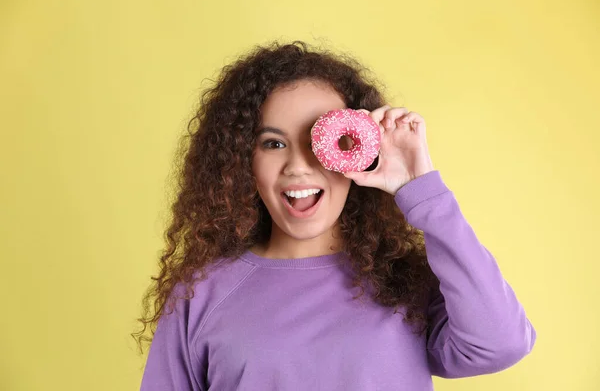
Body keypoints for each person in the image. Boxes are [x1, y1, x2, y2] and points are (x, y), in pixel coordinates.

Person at [133, 40, 536, 390]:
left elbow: (501, 343)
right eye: (273, 144)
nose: (298, 166)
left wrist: (421, 188)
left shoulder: (401, 283)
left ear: (359, 150)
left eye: (319, 141)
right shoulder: (200, 295)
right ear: (243, 160)